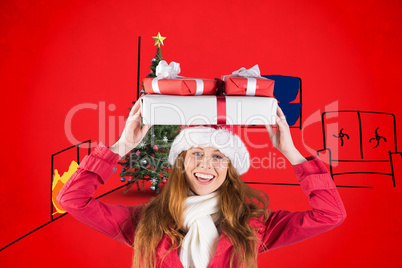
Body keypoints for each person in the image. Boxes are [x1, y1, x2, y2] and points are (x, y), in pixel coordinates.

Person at [57, 97, 346, 268]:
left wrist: (292, 154)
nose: (205, 165)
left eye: (218, 157)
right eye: (196, 153)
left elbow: (330, 215)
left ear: (231, 167)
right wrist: (120, 146)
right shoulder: (146, 222)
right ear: (182, 162)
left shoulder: (253, 227)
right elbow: (72, 200)